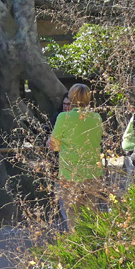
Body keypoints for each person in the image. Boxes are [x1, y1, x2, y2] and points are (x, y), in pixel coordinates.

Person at [49, 83, 103, 229]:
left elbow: (54, 145)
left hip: (70, 174)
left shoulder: (63, 117)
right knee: (92, 216)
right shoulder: (97, 117)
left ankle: (78, 248)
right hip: (93, 173)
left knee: (73, 217)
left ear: (71, 98)